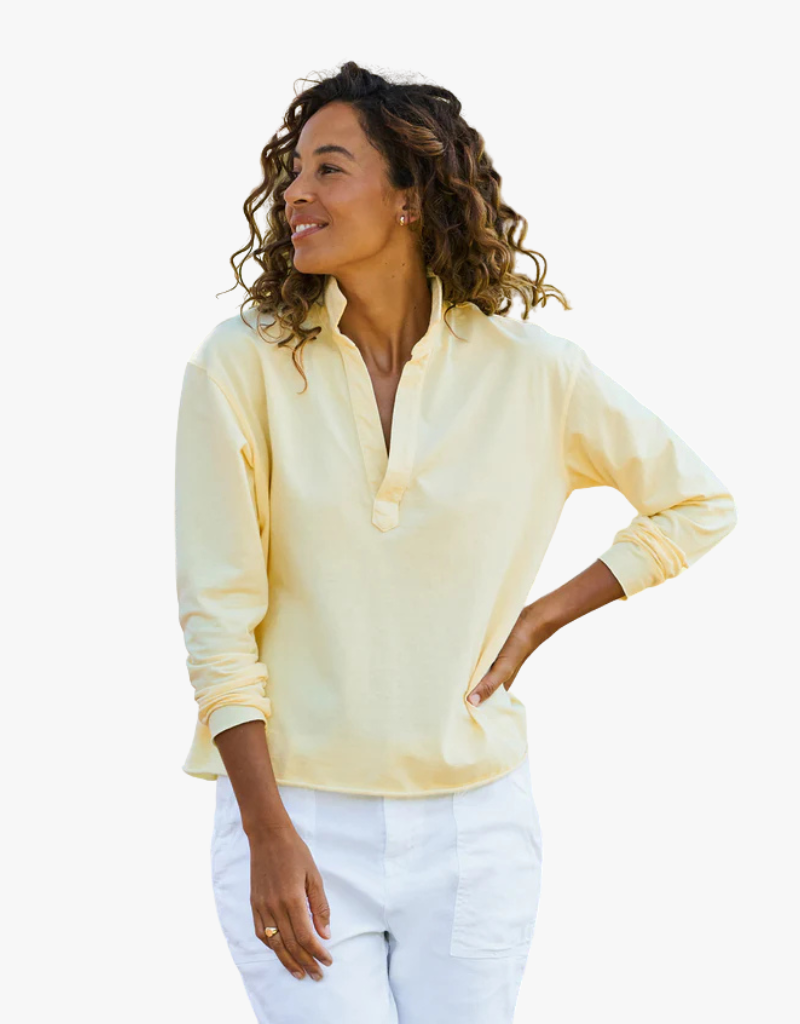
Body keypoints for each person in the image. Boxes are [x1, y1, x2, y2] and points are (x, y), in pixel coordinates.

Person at [174, 62, 737, 1024]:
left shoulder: (534, 372)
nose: (297, 192)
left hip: (477, 828)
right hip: (298, 816)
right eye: (294, 171)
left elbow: (696, 502)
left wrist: (539, 620)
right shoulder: (242, 364)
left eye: (330, 168)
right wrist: (265, 831)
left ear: (409, 196)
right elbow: (217, 618)